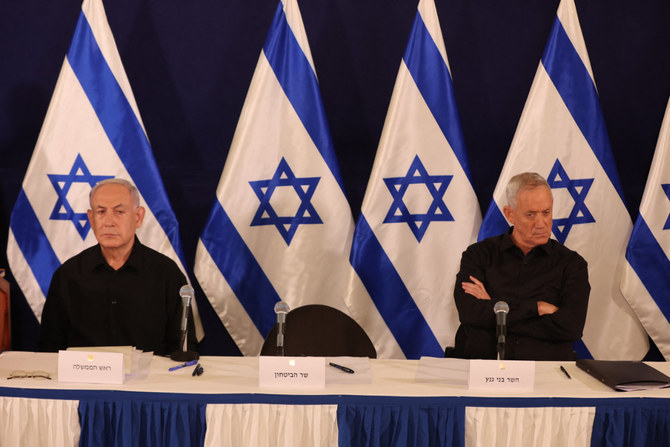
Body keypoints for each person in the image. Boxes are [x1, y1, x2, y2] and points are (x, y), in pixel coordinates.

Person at [39, 178, 196, 356]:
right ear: (91, 219)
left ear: (138, 217)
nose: (108, 222)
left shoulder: (166, 274)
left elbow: (183, 347)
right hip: (83, 381)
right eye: (101, 212)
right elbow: (49, 348)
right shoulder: (68, 275)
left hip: (147, 380)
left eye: (119, 212)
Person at [452, 172, 590, 360]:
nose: (541, 223)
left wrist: (496, 307)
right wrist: (538, 308)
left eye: (546, 212)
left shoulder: (572, 264)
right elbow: (470, 314)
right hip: (481, 367)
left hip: (546, 374)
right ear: (510, 214)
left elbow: (571, 328)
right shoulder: (478, 255)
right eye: (530, 214)